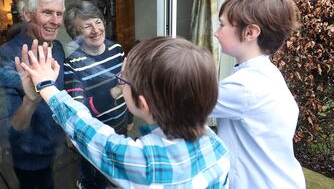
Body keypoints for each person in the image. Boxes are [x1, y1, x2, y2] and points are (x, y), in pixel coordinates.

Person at [16, 36, 231, 188]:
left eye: (122, 79)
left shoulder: (146, 163)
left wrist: (46, 86)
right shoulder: (217, 145)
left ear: (144, 104)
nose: (119, 80)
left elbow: (86, 130)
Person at [210, 0, 306, 188]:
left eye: (222, 24)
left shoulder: (244, 87)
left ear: (250, 32)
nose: (216, 33)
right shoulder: (266, 74)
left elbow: (178, 103)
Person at [0, 0, 66, 189]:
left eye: (59, 13)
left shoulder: (56, 49)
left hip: (58, 148)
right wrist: (30, 101)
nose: (56, 21)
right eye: (47, 12)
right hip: (30, 159)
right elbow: (2, 133)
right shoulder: (2, 58)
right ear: (26, 14)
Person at [63, 0, 133, 189]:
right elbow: (81, 111)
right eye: (87, 26)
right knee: (96, 178)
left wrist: (129, 117)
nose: (96, 29)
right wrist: (115, 90)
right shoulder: (73, 63)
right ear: (76, 34)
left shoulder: (117, 50)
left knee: (117, 172)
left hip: (120, 128)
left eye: (98, 22)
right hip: (95, 138)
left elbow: (129, 86)